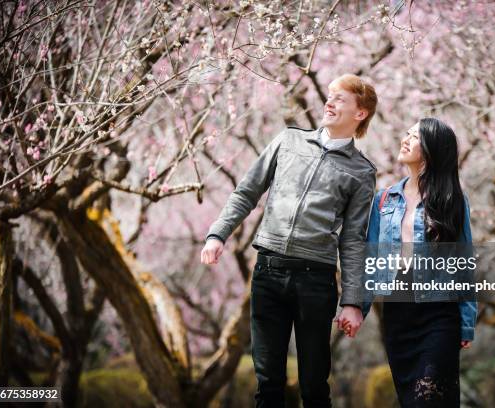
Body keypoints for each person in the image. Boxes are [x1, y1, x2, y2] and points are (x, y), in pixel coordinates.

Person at [201, 74, 378, 408]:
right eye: (329, 95)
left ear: (360, 113)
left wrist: (353, 301)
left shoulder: (362, 172)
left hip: (316, 280)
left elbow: (354, 240)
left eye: (339, 98)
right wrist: (217, 234)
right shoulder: (289, 141)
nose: (329, 102)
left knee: (313, 385)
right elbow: (247, 191)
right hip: (269, 271)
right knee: (268, 383)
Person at [361, 118, 477, 407]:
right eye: (407, 134)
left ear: (431, 149)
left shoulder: (453, 201)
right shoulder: (384, 199)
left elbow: (463, 264)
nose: (405, 139)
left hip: (439, 314)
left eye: (414, 136)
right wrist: (355, 308)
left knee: (428, 400)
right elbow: (370, 260)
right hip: (398, 316)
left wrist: (465, 323)